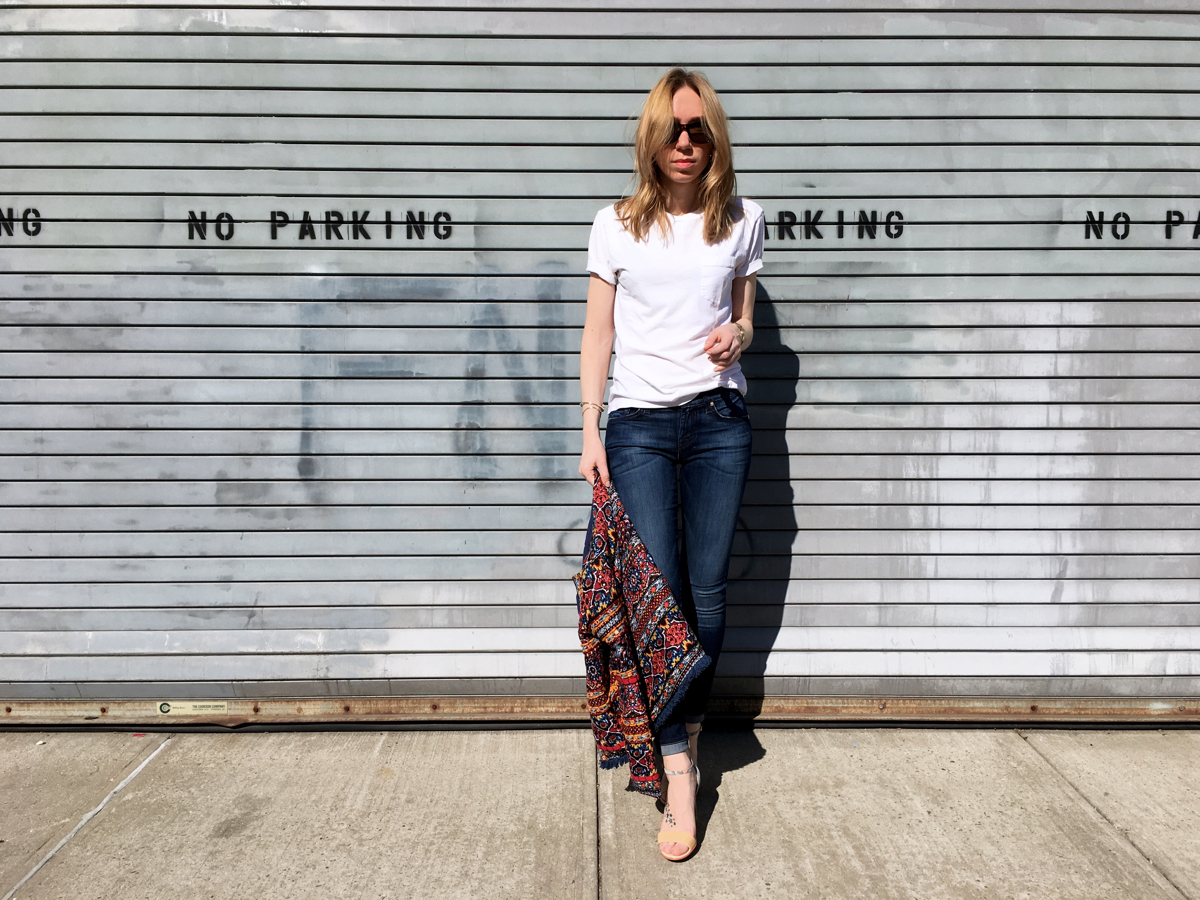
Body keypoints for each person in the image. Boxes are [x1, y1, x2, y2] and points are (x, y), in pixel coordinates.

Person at [577, 67, 764, 862]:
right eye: (672, 129)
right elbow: (597, 335)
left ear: (714, 138)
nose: (686, 141)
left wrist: (743, 336)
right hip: (640, 427)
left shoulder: (744, 219)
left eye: (699, 129)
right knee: (654, 591)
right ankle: (680, 771)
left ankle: (679, 726)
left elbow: (745, 312)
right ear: (651, 139)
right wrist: (591, 431)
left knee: (709, 591)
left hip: (720, 420)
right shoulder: (616, 224)